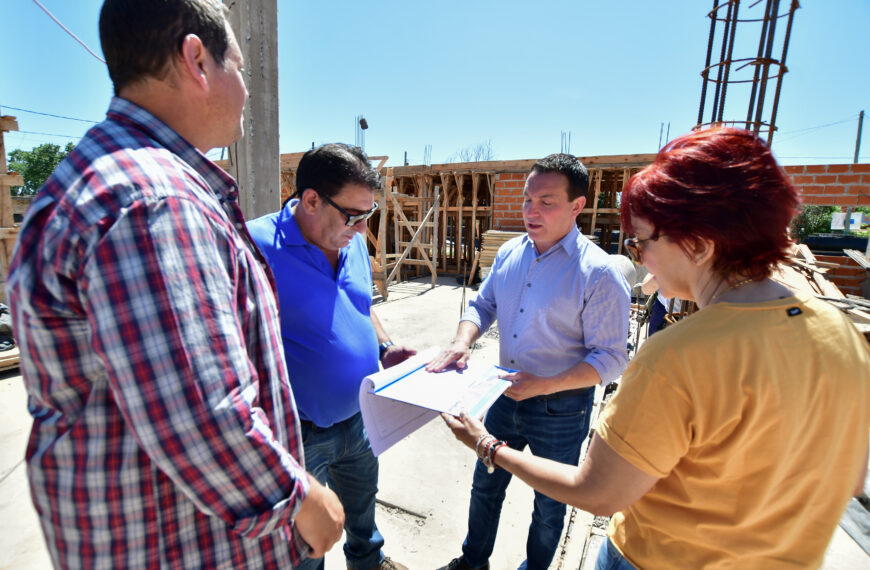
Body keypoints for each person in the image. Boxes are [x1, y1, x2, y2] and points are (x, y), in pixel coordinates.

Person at [6, 1, 345, 567]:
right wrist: (302, 498)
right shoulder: (154, 200)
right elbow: (201, 411)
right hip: (178, 543)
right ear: (196, 60)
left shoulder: (108, 174)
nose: (244, 88)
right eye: (237, 65)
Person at [442, 127, 870, 569]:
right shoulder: (844, 337)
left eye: (642, 241)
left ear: (700, 245)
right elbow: (849, 479)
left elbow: (600, 493)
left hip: (651, 551)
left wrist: (489, 446)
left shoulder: (677, 355)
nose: (640, 258)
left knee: (548, 511)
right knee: (486, 490)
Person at [428, 153, 631, 570]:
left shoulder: (598, 273)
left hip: (560, 409)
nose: (531, 211)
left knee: (550, 504)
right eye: (526, 199)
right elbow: (483, 305)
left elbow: (611, 358)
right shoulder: (508, 254)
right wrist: (463, 340)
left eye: (546, 202)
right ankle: (472, 562)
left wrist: (544, 384)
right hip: (502, 394)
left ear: (577, 206)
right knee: (486, 485)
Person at [247, 143, 416, 570]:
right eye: (353, 216)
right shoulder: (254, 245)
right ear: (310, 200)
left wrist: (384, 347)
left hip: (360, 418)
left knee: (363, 516)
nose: (361, 230)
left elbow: (362, 304)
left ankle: (368, 561)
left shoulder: (352, 242)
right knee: (306, 543)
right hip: (299, 434)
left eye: (368, 216)